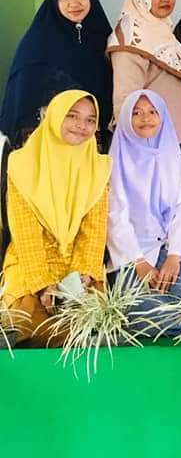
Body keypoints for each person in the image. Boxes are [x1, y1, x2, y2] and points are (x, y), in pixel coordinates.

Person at [1, 91, 111, 347]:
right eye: (72, 116)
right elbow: (25, 232)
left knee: (90, 317)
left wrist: (83, 276)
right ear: (53, 117)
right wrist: (43, 285)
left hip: (77, 263)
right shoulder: (22, 164)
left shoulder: (98, 167)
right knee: (27, 319)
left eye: (90, 120)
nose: (81, 126)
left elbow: (94, 230)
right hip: (31, 261)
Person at [106, 90, 181, 335]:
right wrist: (140, 263)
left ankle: (178, 319)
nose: (145, 118)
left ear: (162, 116)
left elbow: (180, 210)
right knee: (138, 308)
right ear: (125, 118)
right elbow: (116, 217)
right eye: (136, 113)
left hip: (170, 246)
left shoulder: (174, 157)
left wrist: (174, 256)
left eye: (152, 112)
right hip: (133, 253)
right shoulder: (115, 161)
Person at [0, 0, 113, 148]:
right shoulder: (38, 41)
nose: (73, 3)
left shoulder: (102, 37)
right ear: (54, 1)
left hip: (93, 139)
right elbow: (22, 95)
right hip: (50, 141)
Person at [107, 0, 181, 143]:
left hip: (169, 135)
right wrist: (133, 141)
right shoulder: (131, 35)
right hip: (146, 137)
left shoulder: (163, 28)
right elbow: (126, 96)